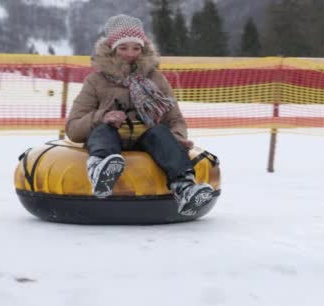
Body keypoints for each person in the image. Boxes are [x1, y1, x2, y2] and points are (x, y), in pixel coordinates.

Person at [65, 14, 214, 215]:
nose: (130, 54)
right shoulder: (96, 81)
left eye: (136, 48)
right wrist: (103, 116)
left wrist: (176, 138)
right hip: (110, 137)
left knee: (160, 132)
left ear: (143, 50)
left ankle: (185, 188)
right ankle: (101, 170)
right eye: (123, 48)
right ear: (111, 50)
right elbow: (73, 128)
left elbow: (174, 118)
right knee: (103, 130)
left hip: (146, 138)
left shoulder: (156, 80)